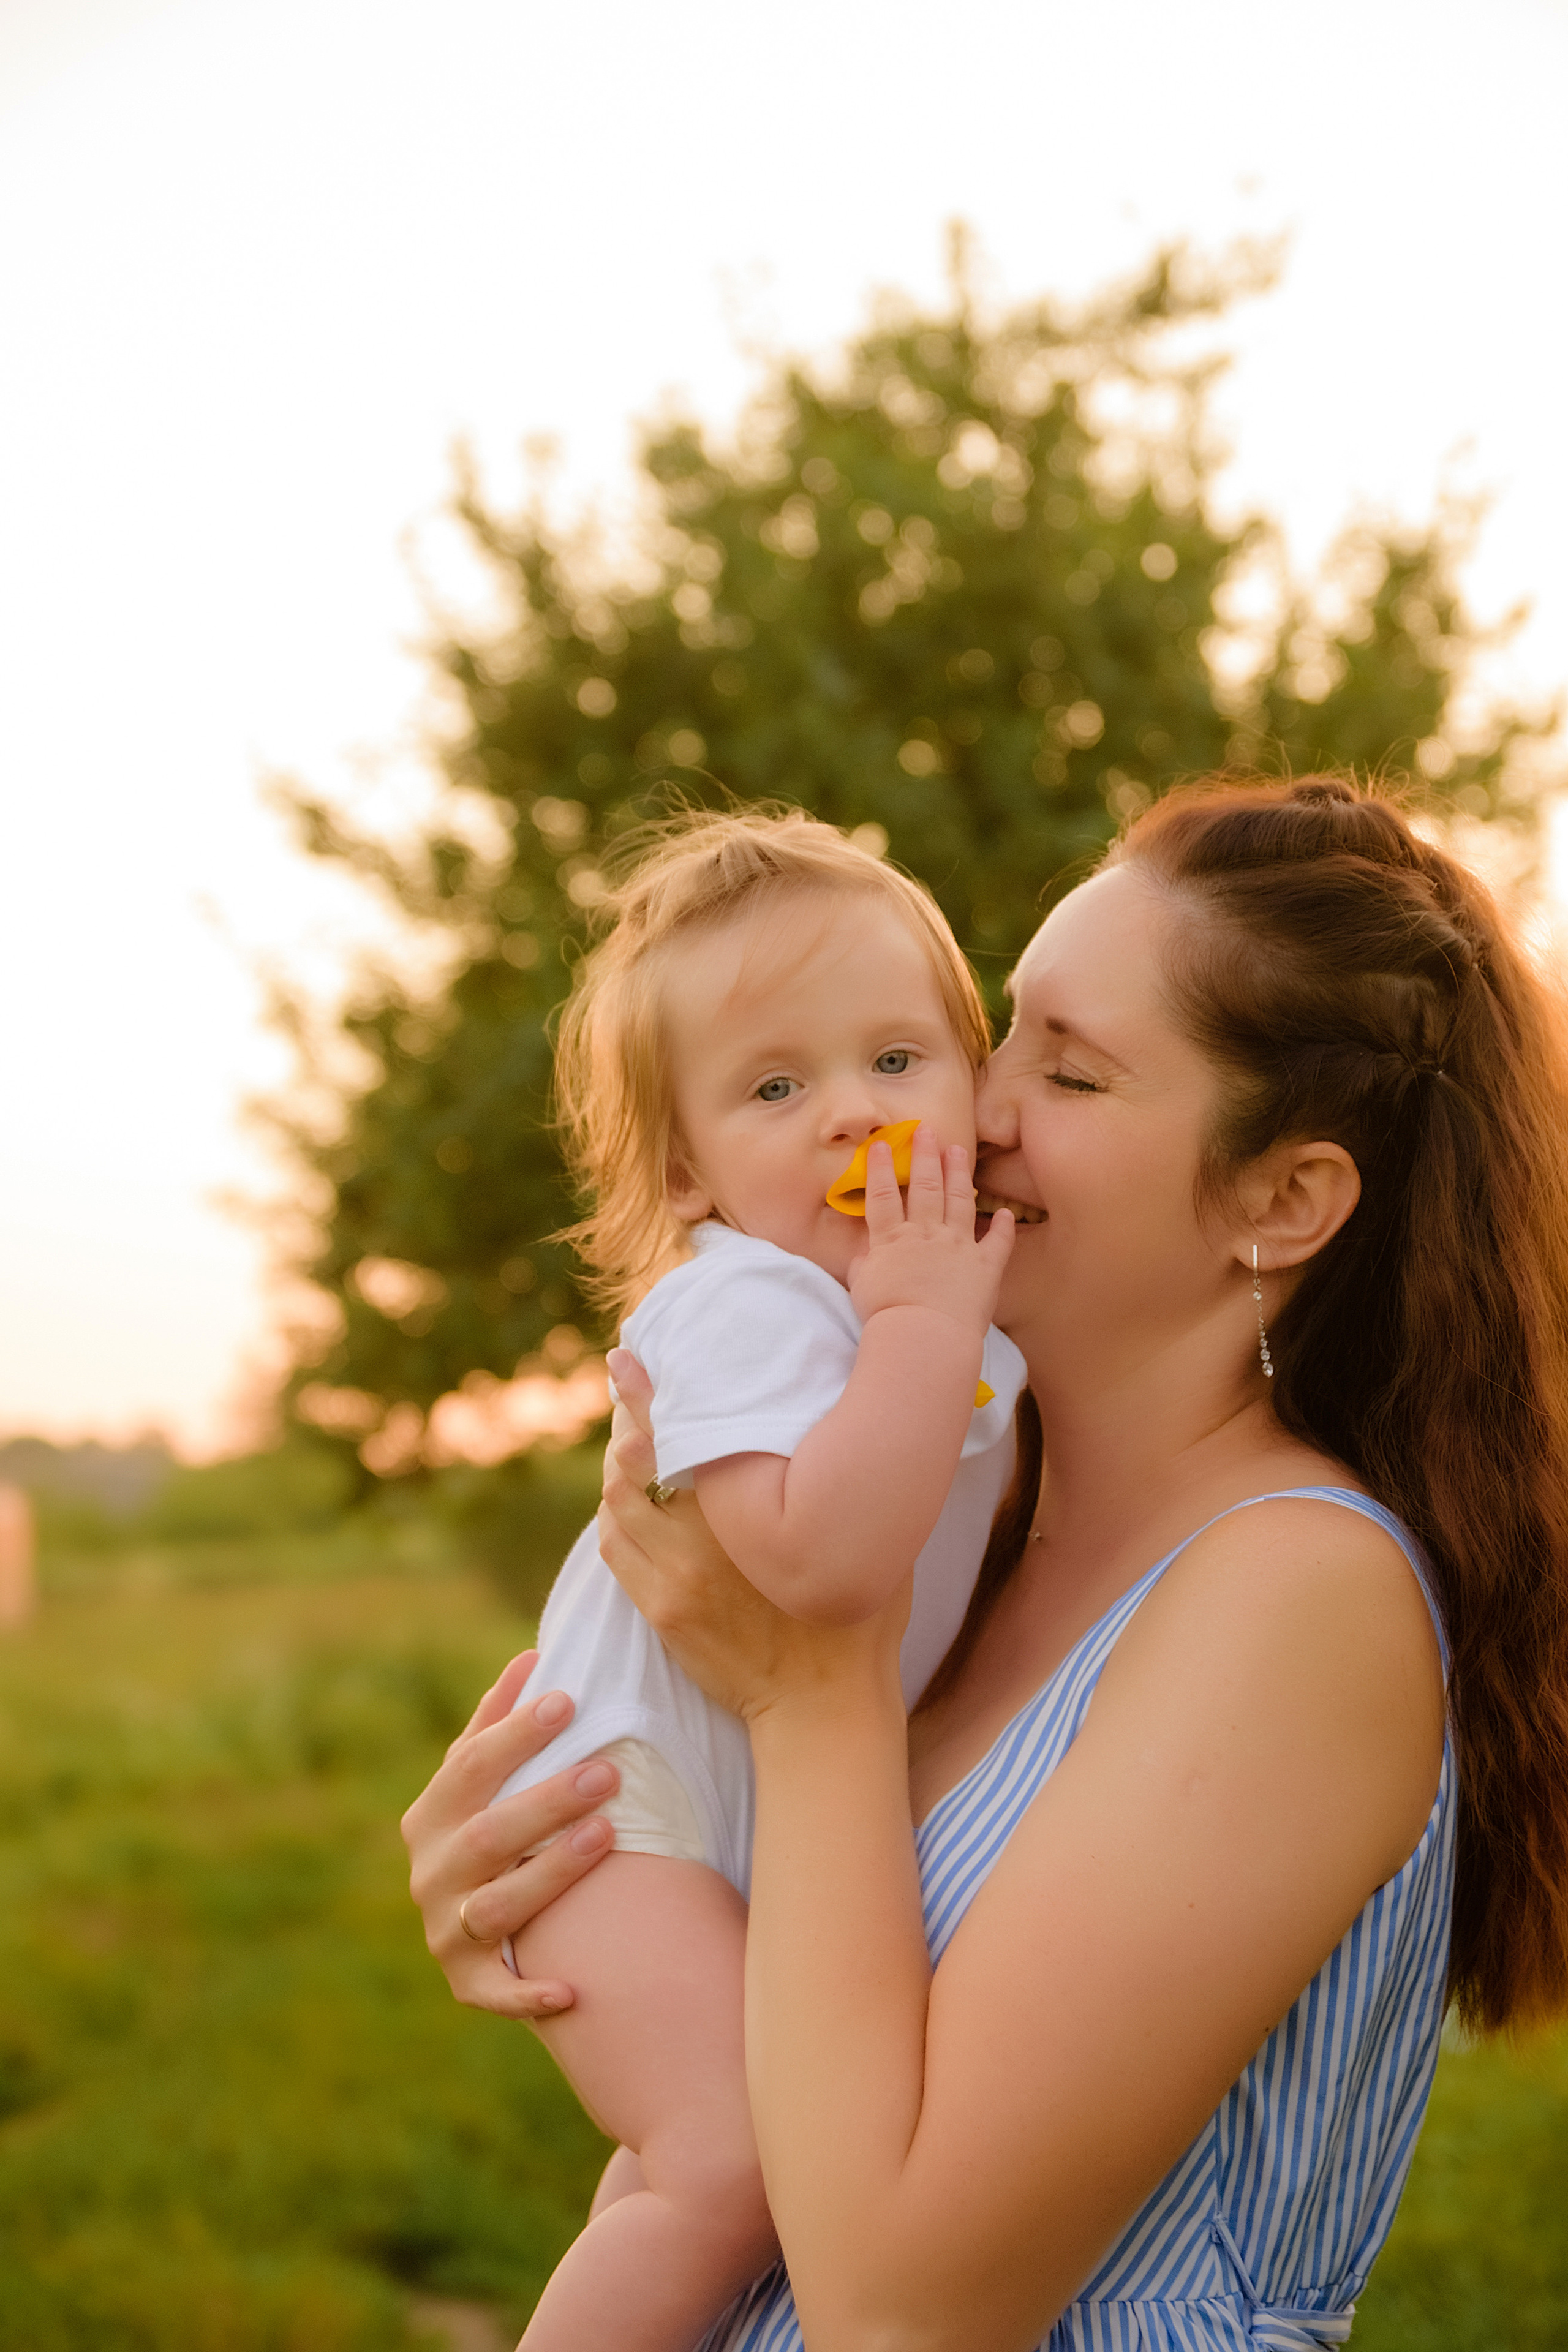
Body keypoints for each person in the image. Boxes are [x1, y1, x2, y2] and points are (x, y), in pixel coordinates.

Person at [404, 778, 1568, 2352]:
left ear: (1280, 1202)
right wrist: (556, 1870)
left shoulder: (1297, 1597)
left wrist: (802, 1689)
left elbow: (900, 2308)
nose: (967, 1108)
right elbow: (798, 2116)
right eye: (997, 1030)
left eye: (1072, 1072)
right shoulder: (976, 1526)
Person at [488, 809, 1022, 2348]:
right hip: (613, 1813)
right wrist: (921, 1325)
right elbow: (815, 1560)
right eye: (776, 1088)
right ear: (688, 1167)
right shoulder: (748, 1304)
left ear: (970, 1078)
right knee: (723, 2172)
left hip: (735, 1823)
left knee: (689, 2164)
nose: (852, 1114)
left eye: (897, 1061)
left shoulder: (935, 1322)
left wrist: (933, 1325)